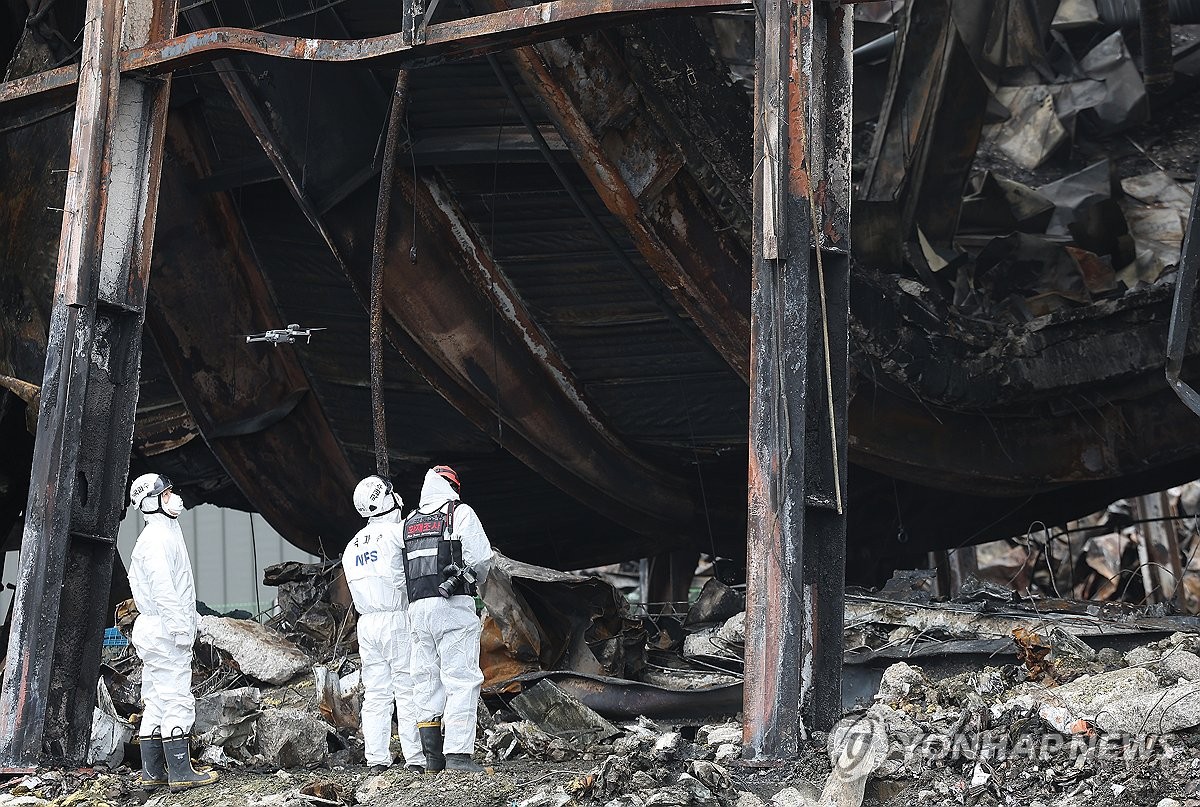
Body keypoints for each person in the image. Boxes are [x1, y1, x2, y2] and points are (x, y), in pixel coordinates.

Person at [126, 473, 217, 792]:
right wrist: (182, 629)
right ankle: (180, 772)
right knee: (176, 698)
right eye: (166, 494)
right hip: (166, 629)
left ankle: (153, 772)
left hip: (155, 628)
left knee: (156, 701)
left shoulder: (159, 535)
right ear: (151, 502)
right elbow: (166, 591)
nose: (173, 498)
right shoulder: (157, 541)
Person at [403, 465, 494, 773]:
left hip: (417, 610)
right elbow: (481, 559)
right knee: (461, 678)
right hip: (452, 606)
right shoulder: (459, 513)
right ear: (452, 486)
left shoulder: (409, 522)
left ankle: (432, 759)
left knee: (426, 681)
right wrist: (472, 578)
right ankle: (458, 755)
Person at [342, 475, 426, 773]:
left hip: (367, 624)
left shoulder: (352, 547)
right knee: (406, 687)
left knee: (376, 693)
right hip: (395, 618)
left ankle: (376, 757)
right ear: (385, 499)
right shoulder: (396, 534)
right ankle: (415, 756)